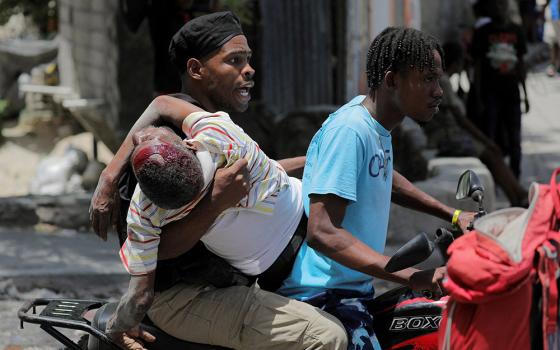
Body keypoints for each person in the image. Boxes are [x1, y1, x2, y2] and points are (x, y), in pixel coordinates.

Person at [92, 11, 350, 350]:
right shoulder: (167, 152)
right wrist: (214, 204)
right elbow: (155, 254)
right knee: (328, 337)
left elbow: (257, 171)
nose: (249, 69)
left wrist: (320, 161)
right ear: (197, 69)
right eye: (234, 61)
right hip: (188, 296)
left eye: (248, 59)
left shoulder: (212, 131)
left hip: (232, 278)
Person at [276, 27, 475, 350]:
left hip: (356, 289)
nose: (438, 91)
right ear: (392, 79)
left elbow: (386, 178)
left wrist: (452, 214)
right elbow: (322, 231)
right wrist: (412, 275)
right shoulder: (351, 130)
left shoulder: (377, 126)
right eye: (427, 79)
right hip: (323, 296)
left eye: (438, 80)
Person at [423, 41, 528, 206]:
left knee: (494, 155)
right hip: (447, 137)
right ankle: (518, 196)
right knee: (492, 154)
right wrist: (487, 141)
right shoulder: (442, 82)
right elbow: (461, 120)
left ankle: (518, 195)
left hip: (452, 134)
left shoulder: (447, 82)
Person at [470, 0, 528, 179]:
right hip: (490, 93)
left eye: (503, 4)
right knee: (491, 138)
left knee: (515, 140)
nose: (499, 8)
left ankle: (515, 178)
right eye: (495, 4)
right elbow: (477, 66)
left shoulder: (517, 30)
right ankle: (494, 178)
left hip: (512, 92)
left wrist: (526, 94)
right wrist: (478, 96)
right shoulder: (482, 32)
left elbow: (520, 64)